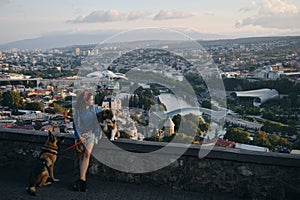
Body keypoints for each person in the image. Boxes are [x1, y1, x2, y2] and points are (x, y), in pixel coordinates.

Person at [73, 91, 102, 192]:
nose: (93, 101)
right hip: (81, 135)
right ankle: (82, 179)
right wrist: (80, 137)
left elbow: (105, 114)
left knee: (87, 154)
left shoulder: (94, 109)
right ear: (86, 101)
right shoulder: (77, 111)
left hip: (91, 135)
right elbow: (75, 125)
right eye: (91, 99)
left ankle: (81, 180)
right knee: (81, 156)